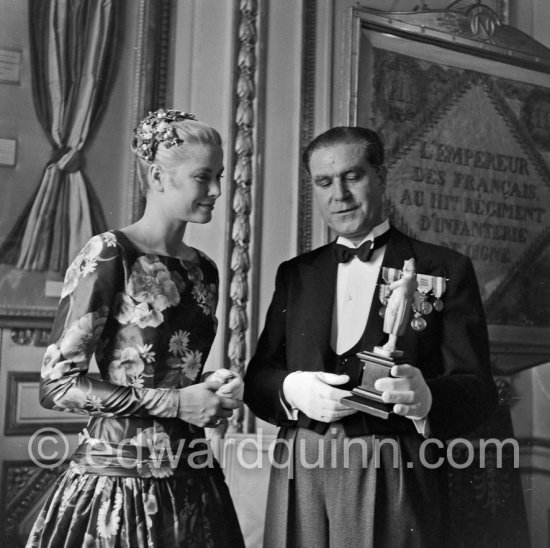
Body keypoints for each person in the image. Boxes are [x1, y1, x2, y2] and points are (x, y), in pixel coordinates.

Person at [244, 126, 497, 548]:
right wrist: (291, 387)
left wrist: (429, 397)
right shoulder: (296, 274)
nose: (338, 194)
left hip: (393, 460)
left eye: (353, 176)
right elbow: (259, 379)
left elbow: (478, 389)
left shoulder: (443, 267)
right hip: (300, 462)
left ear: (381, 176)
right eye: (324, 182)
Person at [26, 109, 245, 547]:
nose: (218, 190)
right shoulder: (110, 253)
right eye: (204, 177)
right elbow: (56, 385)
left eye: (220, 176)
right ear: (159, 176)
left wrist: (207, 388)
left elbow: (168, 374)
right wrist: (178, 403)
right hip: (118, 483)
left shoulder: (205, 270)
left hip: (194, 479)